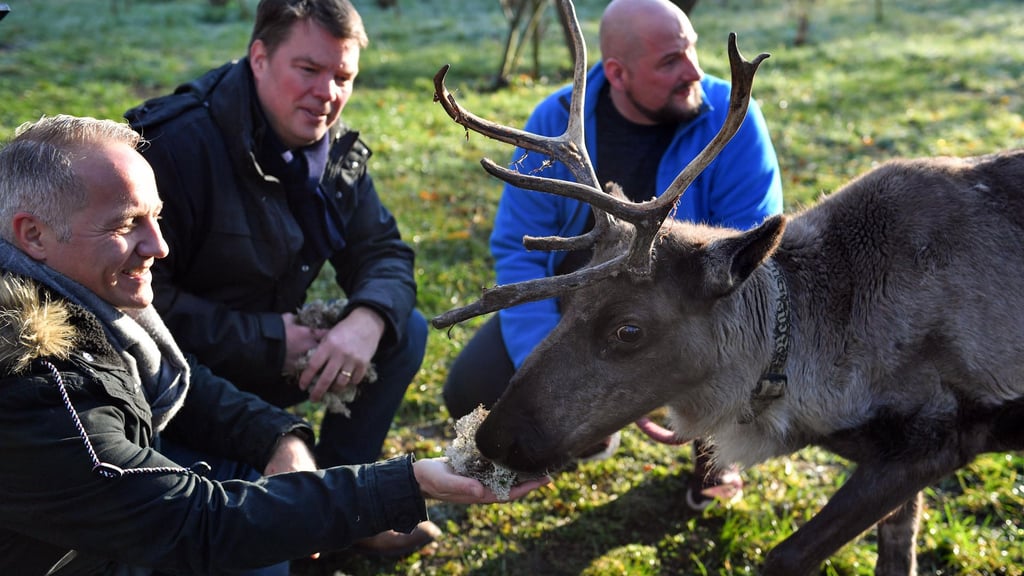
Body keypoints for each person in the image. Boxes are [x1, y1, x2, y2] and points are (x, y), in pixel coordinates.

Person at [0, 114, 547, 576]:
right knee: (253, 545)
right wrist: (408, 482)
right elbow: (198, 524)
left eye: (157, 218)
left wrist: (276, 438)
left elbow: (175, 380)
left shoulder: (84, 303)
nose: (159, 246)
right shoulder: (38, 382)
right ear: (34, 234)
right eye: (126, 224)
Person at [442, 0, 784, 510]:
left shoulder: (733, 120)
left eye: (690, 50)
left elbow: (747, 262)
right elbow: (521, 255)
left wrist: (649, 376)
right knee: (472, 387)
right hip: (579, 307)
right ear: (618, 74)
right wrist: (558, 377)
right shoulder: (556, 123)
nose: (693, 69)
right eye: (670, 61)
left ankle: (715, 457)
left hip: (689, 314)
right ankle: (581, 426)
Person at [123, 0, 434, 554]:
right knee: (259, 554)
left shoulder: (333, 152)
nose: (328, 94)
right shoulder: (172, 147)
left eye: (343, 77)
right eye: (309, 70)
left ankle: (349, 507)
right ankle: (292, 508)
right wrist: (270, 339)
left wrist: (365, 320)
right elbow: (135, 308)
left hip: (277, 358)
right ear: (259, 57)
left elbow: (383, 251)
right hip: (181, 381)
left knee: (400, 328)